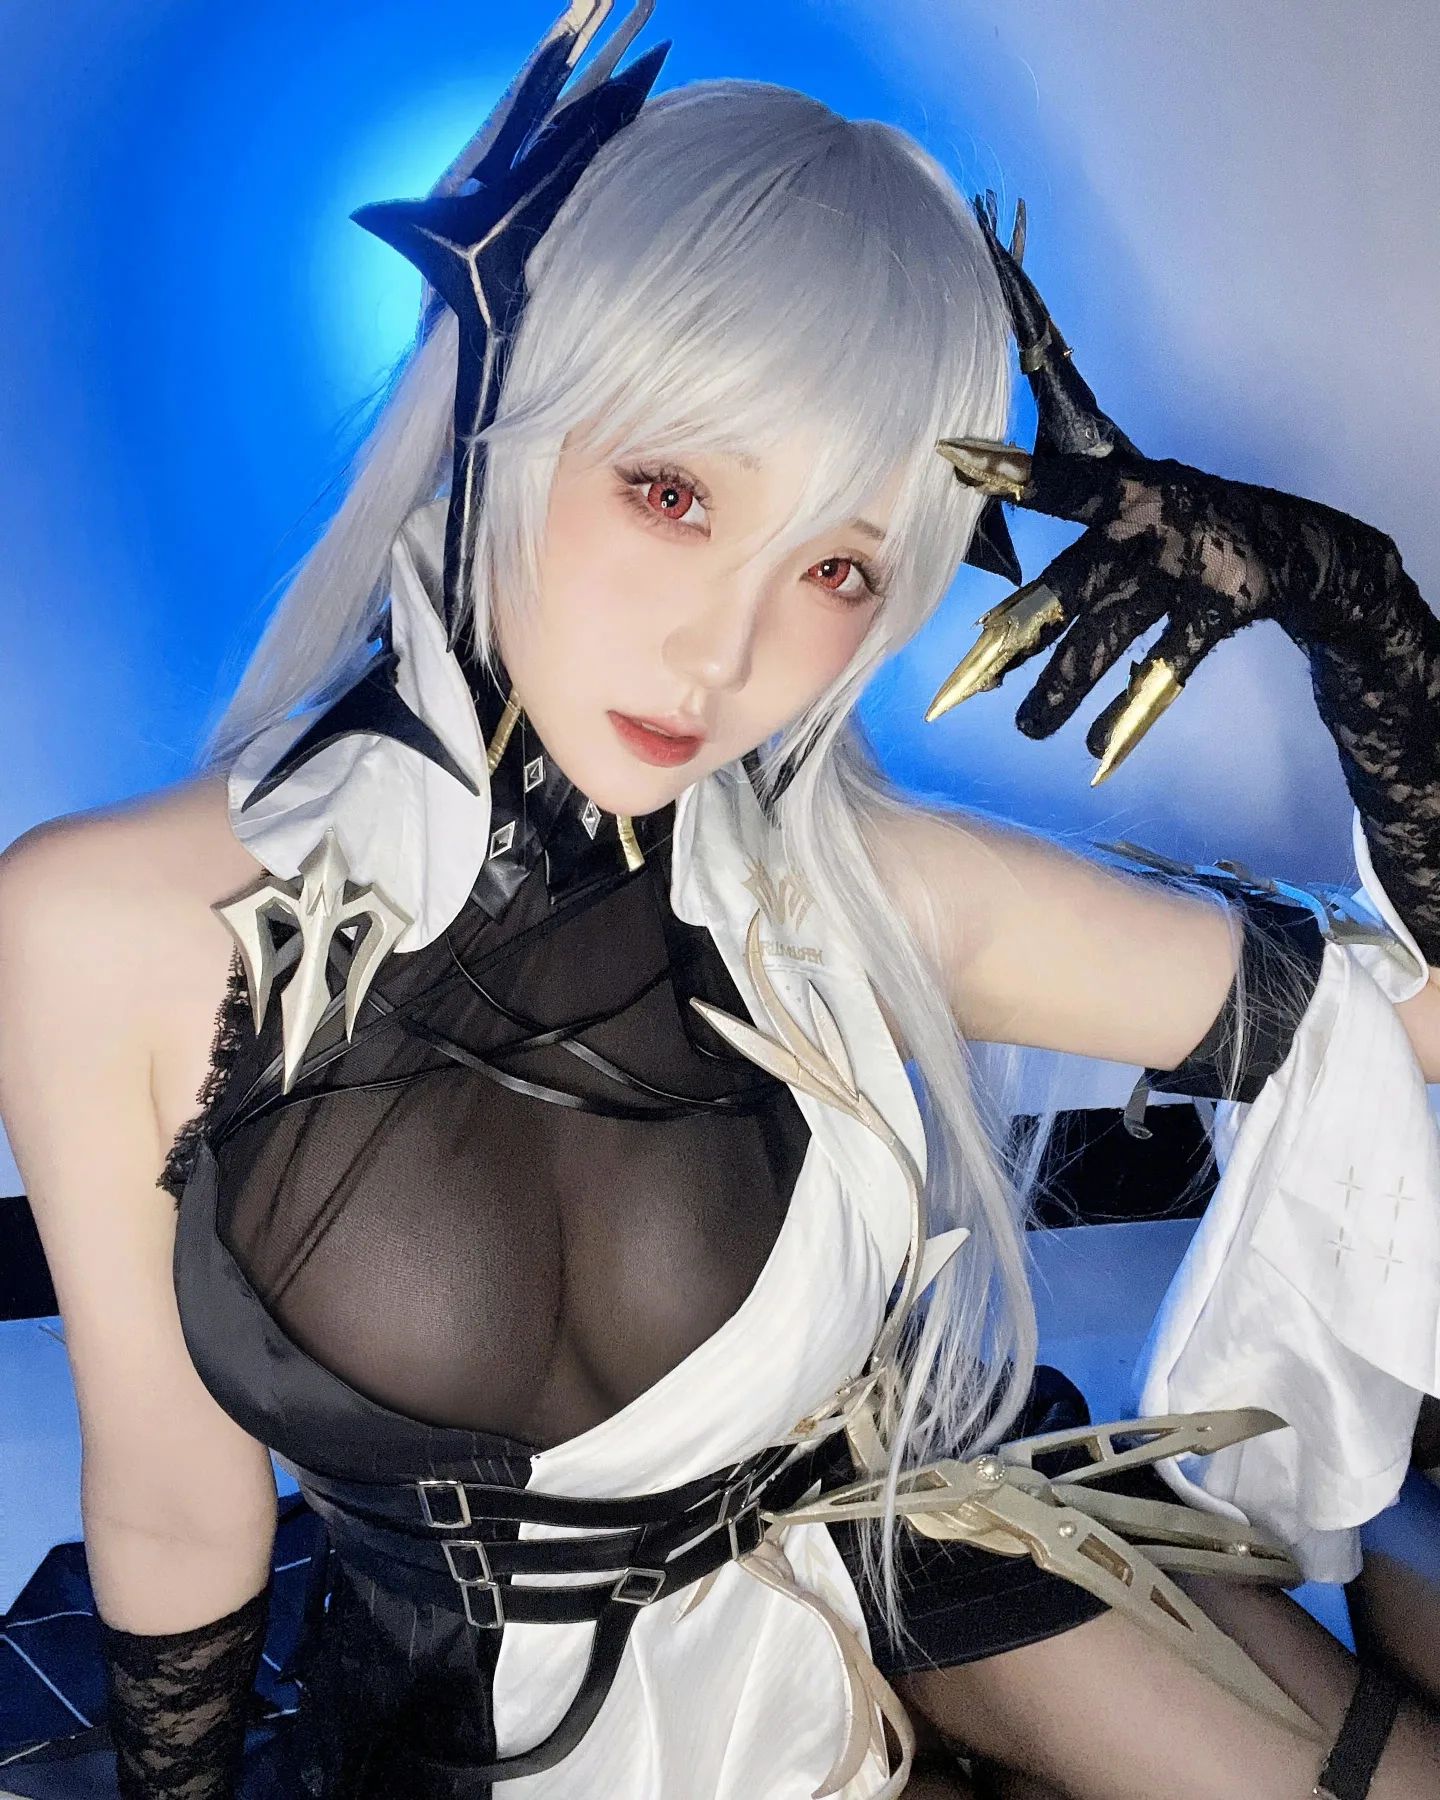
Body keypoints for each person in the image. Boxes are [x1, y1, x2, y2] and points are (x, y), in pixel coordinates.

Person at [3, 5, 1440, 1797]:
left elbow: (1408, 1023)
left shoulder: (863, 890)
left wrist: (1358, 612)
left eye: (836, 567)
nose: (724, 650)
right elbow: (174, 1502)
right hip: (479, 1736)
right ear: (503, 410)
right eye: (671, 491)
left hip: (907, 1556)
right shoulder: (106, 930)